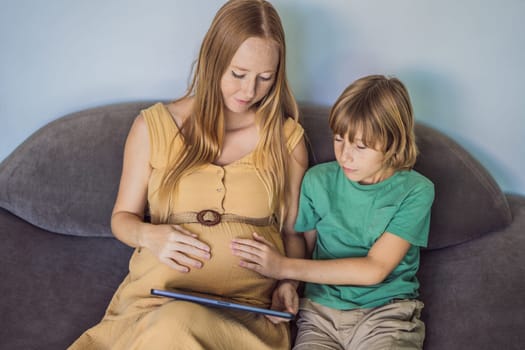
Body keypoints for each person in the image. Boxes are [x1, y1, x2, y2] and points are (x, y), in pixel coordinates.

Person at [69, 0, 307, 349]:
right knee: (172, 324)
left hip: (246, 318)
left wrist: (289, 283)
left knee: (177, 326)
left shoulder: (286, 140)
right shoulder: (153, 127)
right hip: (156, 306)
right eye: (238, 74)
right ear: (213, 60)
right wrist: (152, 236)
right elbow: (122, 218)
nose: (249, 91)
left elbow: (293, 232)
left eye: (264, 78)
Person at [231, 74, 435, 349]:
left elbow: (374, 270)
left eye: (360, 146)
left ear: (392, 143)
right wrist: (288, 284)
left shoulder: (416, 191)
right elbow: (306, 246)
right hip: (319, 315)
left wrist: (281, 266)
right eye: (339, 139)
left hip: (386, 314)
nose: (345, 156)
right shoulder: (317, 181)